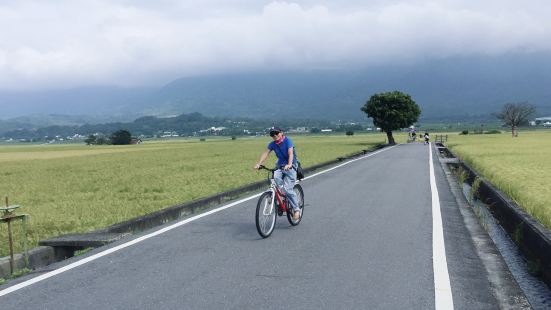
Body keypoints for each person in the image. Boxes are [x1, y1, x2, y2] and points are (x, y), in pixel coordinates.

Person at [254, 127, 300, 220]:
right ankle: (281, 197)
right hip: (280, 165)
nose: (274, 135)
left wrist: (290, 164)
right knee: (275, 178)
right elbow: (266, 153)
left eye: (276, 133)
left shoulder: (287, 141)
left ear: (281, 133)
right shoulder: (273, 144)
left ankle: (296, 209)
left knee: (287, 189)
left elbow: (290, 153)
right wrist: (259, 163)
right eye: (272, 134)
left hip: (291, 166)